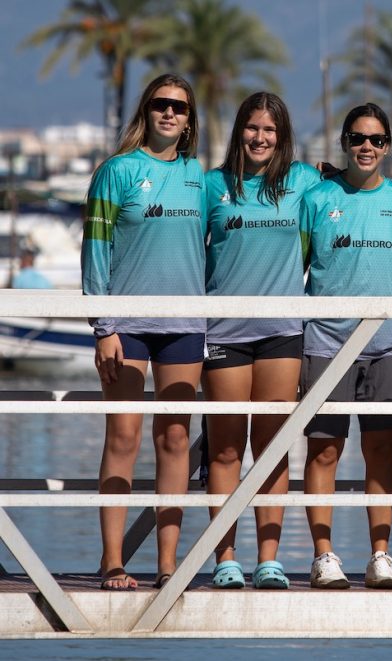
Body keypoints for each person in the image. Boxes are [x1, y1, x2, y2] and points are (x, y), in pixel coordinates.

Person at [81, 73, 206, 591]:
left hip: (184, 326)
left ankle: (167, 564)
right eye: (160, 104)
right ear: (146, 110)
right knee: (125, 436)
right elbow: (94, 250)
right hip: (126, 327)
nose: (169, 113)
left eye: (179, 106)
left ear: (190, 119)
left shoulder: (202, 176)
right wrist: (103, 326)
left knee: (175, 438)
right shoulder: (117, 172)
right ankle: (113, 561)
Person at [300, 103, 392, 589]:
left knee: (379, 451)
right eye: (356, 138)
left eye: (374, 139)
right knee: (324, 451)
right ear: (344, 144)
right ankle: (323, 556)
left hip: (388, 344)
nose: (365, 147)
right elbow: (297, 267)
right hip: (326, 341)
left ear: (387, 146)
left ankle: (380, 556)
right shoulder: (317, 197)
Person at [203, 92, 321, 590]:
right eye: (252, 128)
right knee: (225, 451)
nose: (260, 138)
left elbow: (361, 189)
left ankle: (268, 559)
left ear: (282, 136)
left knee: (272, 449)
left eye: (270, 130)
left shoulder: (304, 183)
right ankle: (225, 557)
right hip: (224, 333)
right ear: (239, 131)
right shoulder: (212, 186)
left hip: (281, 333)